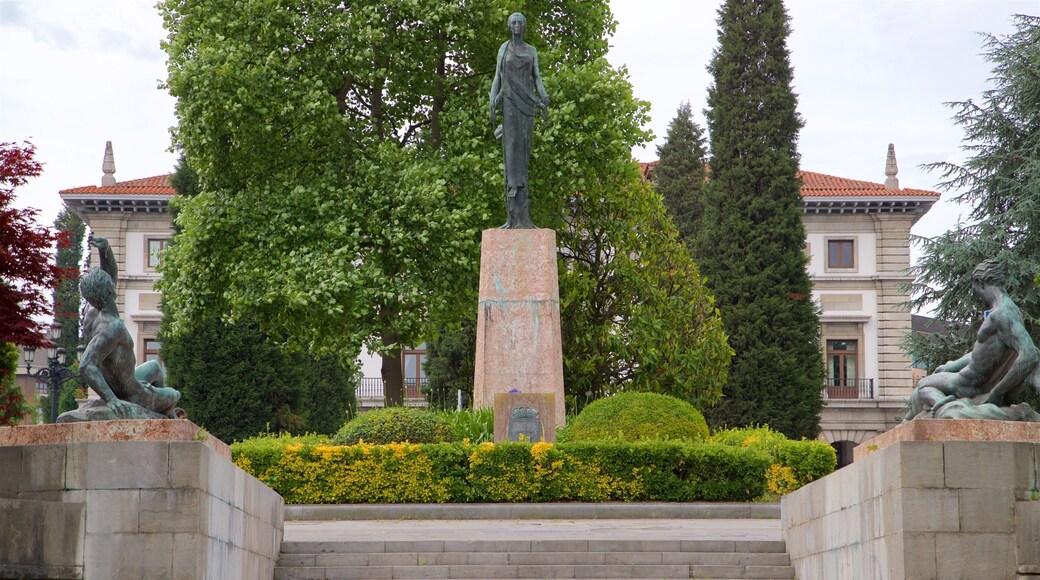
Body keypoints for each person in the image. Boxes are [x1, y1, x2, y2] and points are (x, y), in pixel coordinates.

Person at [904, 259, 1040, 420]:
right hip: (973, 380)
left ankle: (945, 406)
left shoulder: (1002, 312)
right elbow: (987, 351)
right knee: (933, 379)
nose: (975, 292)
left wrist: (997, 392)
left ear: (979, 283)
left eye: (974, 287)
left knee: (924, 385)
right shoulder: (1007, 310)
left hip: (969, 384)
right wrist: (952, 365)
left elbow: (1030, 355)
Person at [72, 236, 180, 420]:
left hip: (130, 381)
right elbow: (86, 365)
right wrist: (112, 400)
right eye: (110, 283)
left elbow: (110, 273)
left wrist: (104, 250)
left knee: (154, 366)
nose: (114, 282)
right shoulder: (112, 327)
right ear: (109, 291)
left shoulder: (92, 312)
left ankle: (162, 412)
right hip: (134, 394)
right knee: (175, 395)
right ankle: (167, 414)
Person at [489, 12, 549, 229]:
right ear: (509, 26)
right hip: (508, 104)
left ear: (524, 26)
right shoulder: (503, 49)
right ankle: (512, 215)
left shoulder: (531, 51)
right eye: (513, 22)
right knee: (511, 152)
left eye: (520, 22)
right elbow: (498, 76)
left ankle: (523, 215)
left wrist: (543, 96)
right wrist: (491, 99)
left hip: (527, 106)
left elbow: (537, 77)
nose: (517, 25)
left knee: (522, 154)